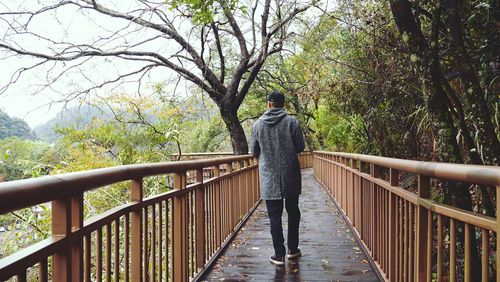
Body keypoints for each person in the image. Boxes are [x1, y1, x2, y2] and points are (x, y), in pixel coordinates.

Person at [250, 90, 305, 266]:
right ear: (283, 105)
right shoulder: (292, 122)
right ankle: (292, 250)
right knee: (293, 211)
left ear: (268, 104)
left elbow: (254, 152)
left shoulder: (258, 125)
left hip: (269, 176)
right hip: (290, 174)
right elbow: (300, 147)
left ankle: (278, 255)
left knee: (274, 216)